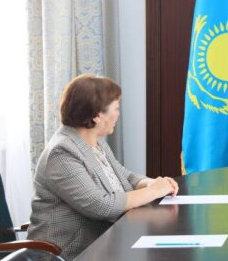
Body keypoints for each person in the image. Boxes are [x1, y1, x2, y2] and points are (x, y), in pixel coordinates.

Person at [27, 74, 179, 260]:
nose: (118, 114)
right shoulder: (61, 153)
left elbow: (124, 176)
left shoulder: (94, 141)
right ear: (97, 116)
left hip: (103, 244)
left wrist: (151, 182)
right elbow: (101, 205)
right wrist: (153, 191)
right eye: (115, 108)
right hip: (69, 253)